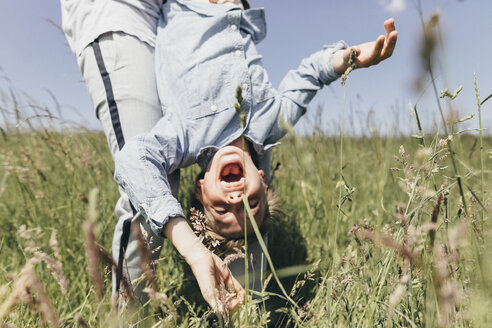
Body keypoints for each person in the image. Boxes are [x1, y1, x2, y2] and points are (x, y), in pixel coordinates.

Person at [114, 0, 398, 312]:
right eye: (251, 204)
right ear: (262, 179)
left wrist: (193, 249)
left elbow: (134, 159)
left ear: (201, 189)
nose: (235, 200)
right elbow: (309, 77)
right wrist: (349, 59)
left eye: (222, 210)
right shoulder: (272, 125)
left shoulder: (186, 137)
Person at [60, 0, 181, 308]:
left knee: (167, 181)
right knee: (145, 185)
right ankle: (130, 318)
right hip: (119, 19)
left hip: (165, 32)